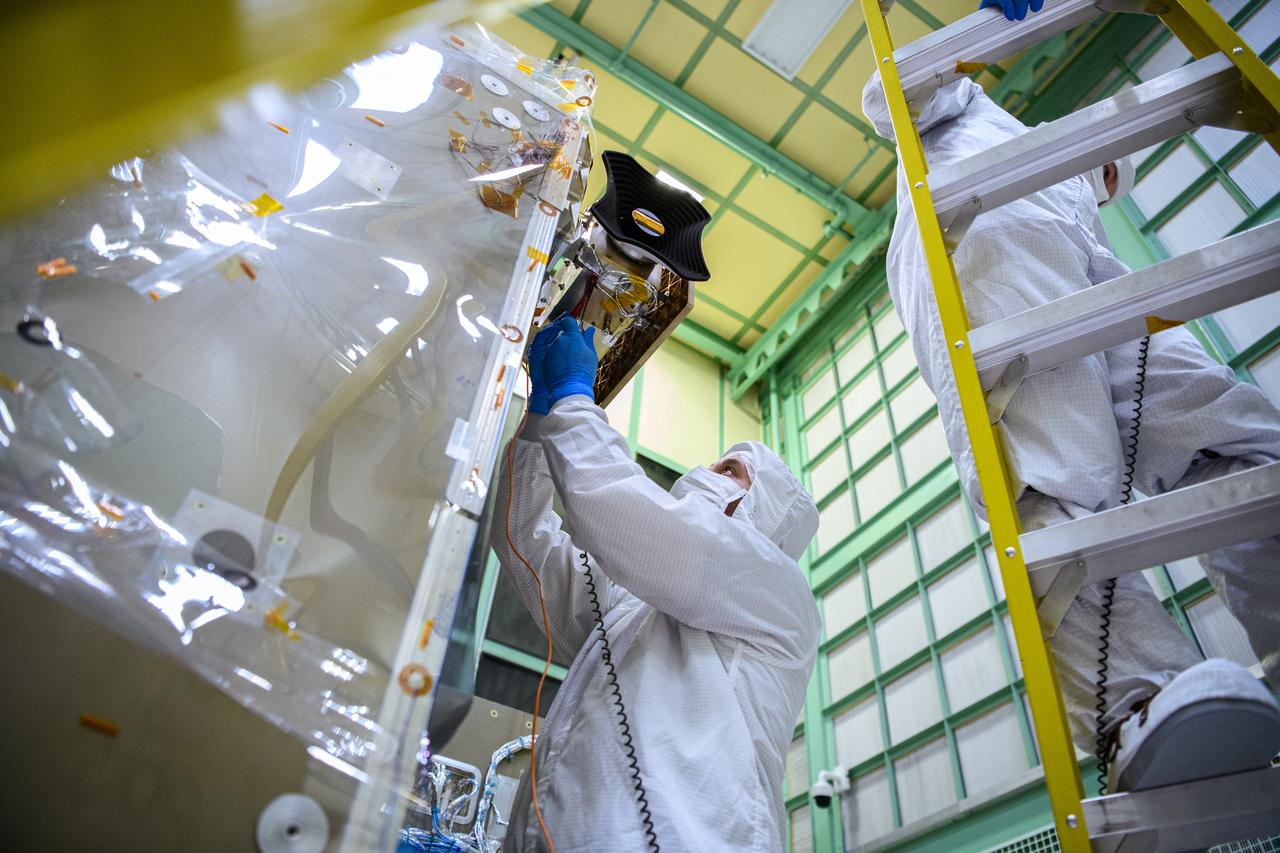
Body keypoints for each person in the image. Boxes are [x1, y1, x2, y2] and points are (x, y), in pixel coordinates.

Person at [860, 38, 1280, 795]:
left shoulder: (1082, 202)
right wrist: (977, 37)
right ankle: (1138, 705)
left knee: (1224, 427)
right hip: (982, 243)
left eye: (1113, 176)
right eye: (1107, 164)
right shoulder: (982, 122)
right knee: (1053, 474)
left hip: (1085, 272)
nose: (1107, 174)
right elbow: (890, 95)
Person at [491, 313, 822, 851]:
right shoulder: (631, 611)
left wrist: (575, 399)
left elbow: (615, 506)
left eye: (729, 470)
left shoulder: (776, 592)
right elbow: (522, 539)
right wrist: (537, 424)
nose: (705, 473)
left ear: (763, 510)